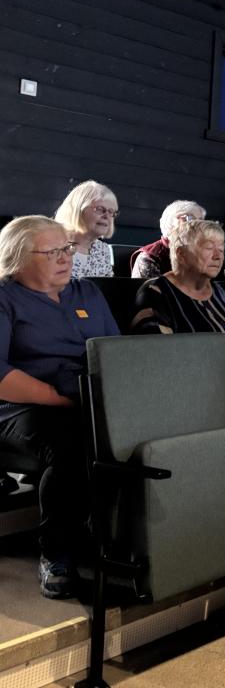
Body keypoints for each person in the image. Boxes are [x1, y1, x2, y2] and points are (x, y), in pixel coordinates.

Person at [0, 216, 119, 598]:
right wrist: (60, 398)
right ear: (17, 258)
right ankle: (57, 553)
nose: (65, 258)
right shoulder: (5, 297)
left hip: (89, 399)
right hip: (22, 405)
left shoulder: (88, 293)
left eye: (67, 248)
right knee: (71, 444)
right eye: (52, 252)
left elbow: (117, 353)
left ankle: (118, 538)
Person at [130, 219, 225, 334]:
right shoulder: (156, 293)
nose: (218, 256)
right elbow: (156, 348)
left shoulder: (224, 294)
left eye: (221, 249)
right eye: (209, 248)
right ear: (181, 254)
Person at [54, 180, 118, 279]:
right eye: (100, 209)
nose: (107, 216)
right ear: (78, 209)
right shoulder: (52, 246)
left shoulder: (102, 250)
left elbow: (107, 290)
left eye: (111, 212)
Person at [130, 199, 205, 279]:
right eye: (189, 218)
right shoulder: (149, 257)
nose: (197, 225)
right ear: (169, 222)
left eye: (200, 221)